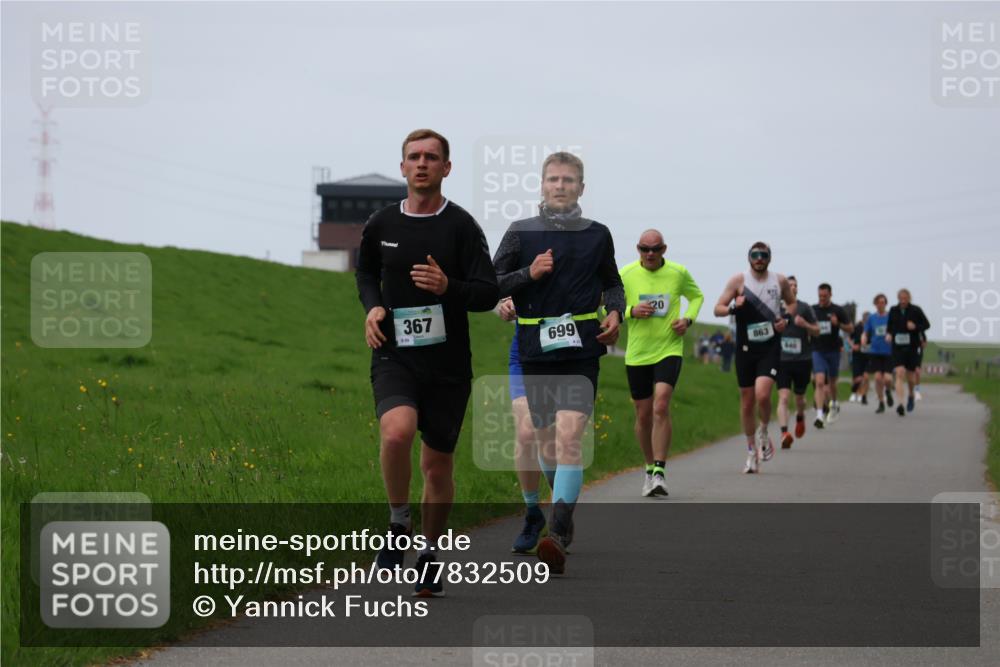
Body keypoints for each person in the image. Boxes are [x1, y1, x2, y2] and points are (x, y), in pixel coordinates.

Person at [356, 129, 500, 597]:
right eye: (413, 157)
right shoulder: (381, 224)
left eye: (431, 157)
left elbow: (487, 293)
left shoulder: (461, 227)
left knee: (437, 468)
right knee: (395, 432)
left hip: (448, 366)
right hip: (395, 353)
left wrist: (447, 287)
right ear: (402, 167)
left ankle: (430, 554)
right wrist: (374, 307)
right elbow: (365, 272)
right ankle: (399, 523)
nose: (421, 164)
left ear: (446, 168)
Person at [493, 152, 624, 574]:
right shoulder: (521, 232)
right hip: (534, 349)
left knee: (569, 439)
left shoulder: (598, 234)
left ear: (581, 188)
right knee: (543, 440)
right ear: (542, 185)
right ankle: (542, 511)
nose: (561, 186)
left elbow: (613, 283)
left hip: (582, 350)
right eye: (553, 179)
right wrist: (525, 278)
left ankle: (557, 530)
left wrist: (615, 313)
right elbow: (491, 283)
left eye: (569, 180)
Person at [620, 229, 703, 497]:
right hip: (637, 353)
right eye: (645, 249)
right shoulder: (626, 274)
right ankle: (647, 468)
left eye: (655, 249)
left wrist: (687, 320)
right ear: (638, 249)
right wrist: (630, 311)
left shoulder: (678, 273)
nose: (650, 254)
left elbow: (697, 297)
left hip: (669, 348)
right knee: (643, 415)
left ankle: (659, 471)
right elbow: (602, 306)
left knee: (661, 404)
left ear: (664, 249)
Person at [713, 242, 796, 473]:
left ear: (770, 258)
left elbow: (792, 303)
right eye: (755, 255)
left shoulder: (778, 281)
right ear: (749, 258)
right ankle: (751, 451)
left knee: (762, 395)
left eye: (764, 255)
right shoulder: (738, 281)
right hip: (745, 348)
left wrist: (786, 320)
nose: (759, 258)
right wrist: (732, 307)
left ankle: (764, 431)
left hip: (770, 347)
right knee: (747, 401)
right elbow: (717, 308)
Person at [496, 299, 557, 555]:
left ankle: (561, 509)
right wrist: (504, 303)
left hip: (567, 354)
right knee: (526, 432)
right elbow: (500, 281)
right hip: (525, 353)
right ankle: (533, 513)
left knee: (550, 439)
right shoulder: (520, 256)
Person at [776, 276, 819, 449]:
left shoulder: (805, 308)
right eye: (789, 285)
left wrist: (806, 325)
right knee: (784, 397)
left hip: (802, 360)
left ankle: (800, 417)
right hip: (782, 360)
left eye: (795, 285)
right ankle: (784, 433)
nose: (792, 288)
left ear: (797, 289)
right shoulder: (775, 308)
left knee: (799, 398)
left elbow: (817, 331)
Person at [810, 283, 853, 428]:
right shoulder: (813, 310)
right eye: (820, 296)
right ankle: (819, 415)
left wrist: (838, 323)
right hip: (817, 350)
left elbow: (850, 328)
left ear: (830, 295)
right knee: (820, 382)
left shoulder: (837, 310)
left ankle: (834, 403)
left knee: (833, 382)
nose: (822, 299)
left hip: (833, 350)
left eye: (825, 296)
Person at [886, 288, 930, 416]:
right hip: (898, 347)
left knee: (911, 378)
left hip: (911, 347)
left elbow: (927, 325)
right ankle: (900, 403)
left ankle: (911, 395)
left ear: (909, 298)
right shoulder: (893, 310)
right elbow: (890, 326)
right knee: (899, 373)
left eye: (905, 299)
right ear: (898, 298)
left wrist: (915, 326)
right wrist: (889, 334)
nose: (903, 301)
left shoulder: (916, 310)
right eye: (901, 298)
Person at [862, 294, 893, 413]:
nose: (881, 304)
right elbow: (866, 331)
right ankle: (881, 402)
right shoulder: (872, 318)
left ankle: (888, 391)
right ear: (875, 304)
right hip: (875, 351)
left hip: (888, 352)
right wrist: (864, 337)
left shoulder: (890, 317)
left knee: (888, 379)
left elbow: (895, 329)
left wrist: (891, 334)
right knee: (878, 378)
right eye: (879, 302)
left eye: (883, 302)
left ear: (886, 303)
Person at [849, 312, 870, 404]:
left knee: (865, 376)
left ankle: (863, 394)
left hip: (868, 355)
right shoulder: (857, 327)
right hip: (857, 354)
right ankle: (854, 393)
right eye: (865, 318)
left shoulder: (871, 328)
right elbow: (849, 339)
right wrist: (853, 345)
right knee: (856, 377)